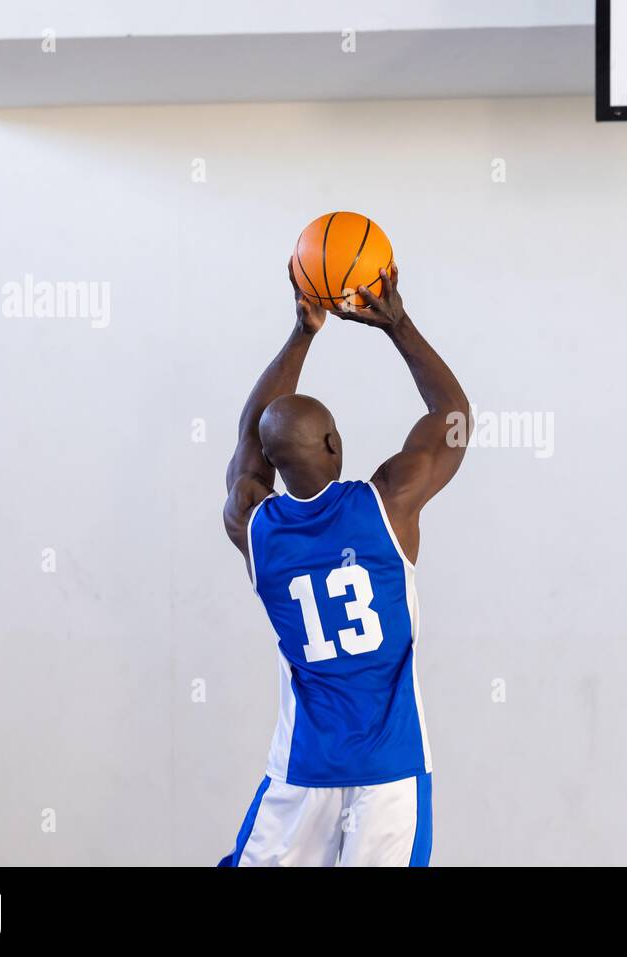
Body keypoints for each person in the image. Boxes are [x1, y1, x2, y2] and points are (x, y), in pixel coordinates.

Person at [218, 261, 469, 866]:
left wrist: (303, 332)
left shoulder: (253, 526)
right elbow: (454, 418)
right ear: (335, 444)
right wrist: (397, 324)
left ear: (274, 464)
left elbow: (251, 440)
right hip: (390, 768)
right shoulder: (389, 505)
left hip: (304, 769)